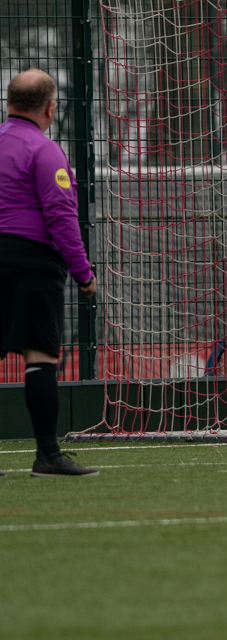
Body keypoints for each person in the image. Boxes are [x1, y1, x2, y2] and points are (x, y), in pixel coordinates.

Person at [0, 69, 99, 477]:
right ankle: (47, 455)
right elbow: (61, 217)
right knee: (40, 356)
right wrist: (84, 274)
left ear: (9, 102)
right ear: (50, 108)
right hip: (32, 262)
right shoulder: (45, 151)